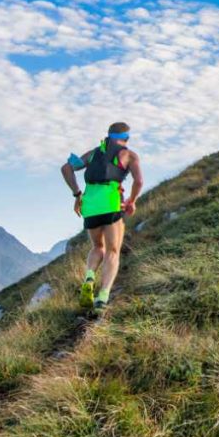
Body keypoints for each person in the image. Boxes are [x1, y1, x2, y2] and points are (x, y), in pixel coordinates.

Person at [60, 121, 143, 312]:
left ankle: (90, 276)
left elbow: (66, 168)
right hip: (111, 205)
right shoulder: (129, 155)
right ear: (126, 138)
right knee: (112, 252)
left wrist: (77, 194)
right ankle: (102, 298)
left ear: (108, 136)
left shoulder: (93, 153)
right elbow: (139, 181)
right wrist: (131, 200)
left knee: (97, 246)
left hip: (89, 207)